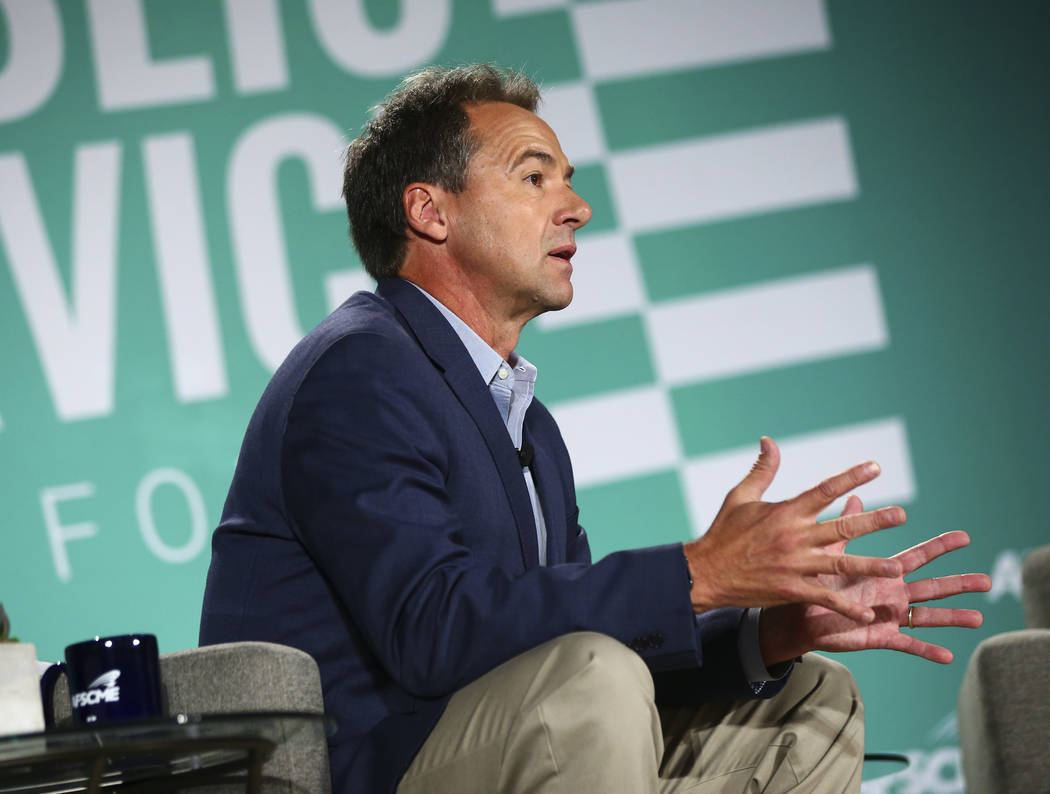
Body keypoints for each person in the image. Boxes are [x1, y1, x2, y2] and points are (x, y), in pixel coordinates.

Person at [199, 65, 990, 793]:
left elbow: (573, 642)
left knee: (810, 700)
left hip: (496, 744)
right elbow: (434, 631)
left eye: (568, 182)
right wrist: (697, 572)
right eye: (534, 177)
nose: (575, 207)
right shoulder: (359, 372)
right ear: (429, 211)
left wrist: (768, 634)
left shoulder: (529, 425)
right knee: (591, 676)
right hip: (366, 770)